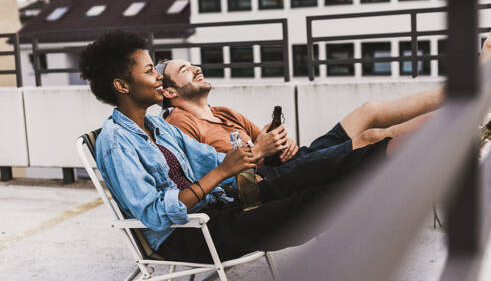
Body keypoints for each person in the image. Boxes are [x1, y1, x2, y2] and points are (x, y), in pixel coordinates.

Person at [79, 30, 407, 264]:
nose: (159, 79)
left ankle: (400, 156)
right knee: (307, 203)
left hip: (216, 206)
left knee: (312, 169)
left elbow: (210, 160)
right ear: (122, 85)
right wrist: (225, 170)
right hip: (187, 236)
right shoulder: (115, 144)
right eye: (150, 71)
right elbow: (154, 214)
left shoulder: (157, 126)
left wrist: (253, 155)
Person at [158, 60, 440, 180]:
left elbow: (264, 142)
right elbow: (209, 177)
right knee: (370, 138)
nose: (196, 68)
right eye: (185, 69)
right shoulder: (180, 124)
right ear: (169, 91)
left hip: (291, 162)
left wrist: (281, 143)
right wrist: (261, 151)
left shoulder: (223, 113)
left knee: (369, 111)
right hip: (268, 181)